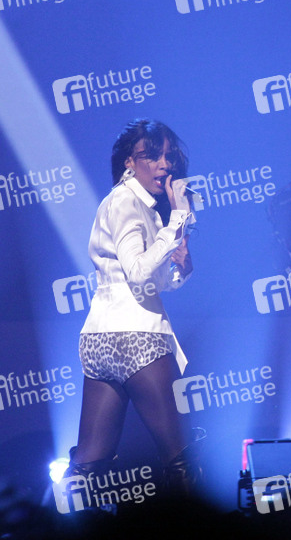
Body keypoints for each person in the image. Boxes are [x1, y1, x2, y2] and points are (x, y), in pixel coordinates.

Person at [65, 119, 200, 495]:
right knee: (179, 459)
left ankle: (50, 519)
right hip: (137, 338)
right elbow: (138, 272)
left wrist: (182, 269)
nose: (164, 165)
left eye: (168, 157)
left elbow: (153, 282)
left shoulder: (141, 207)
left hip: (100, 340)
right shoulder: (125, 201)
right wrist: (178, 219)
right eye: (152, 156)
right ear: (129, 161)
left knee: (89, 461)